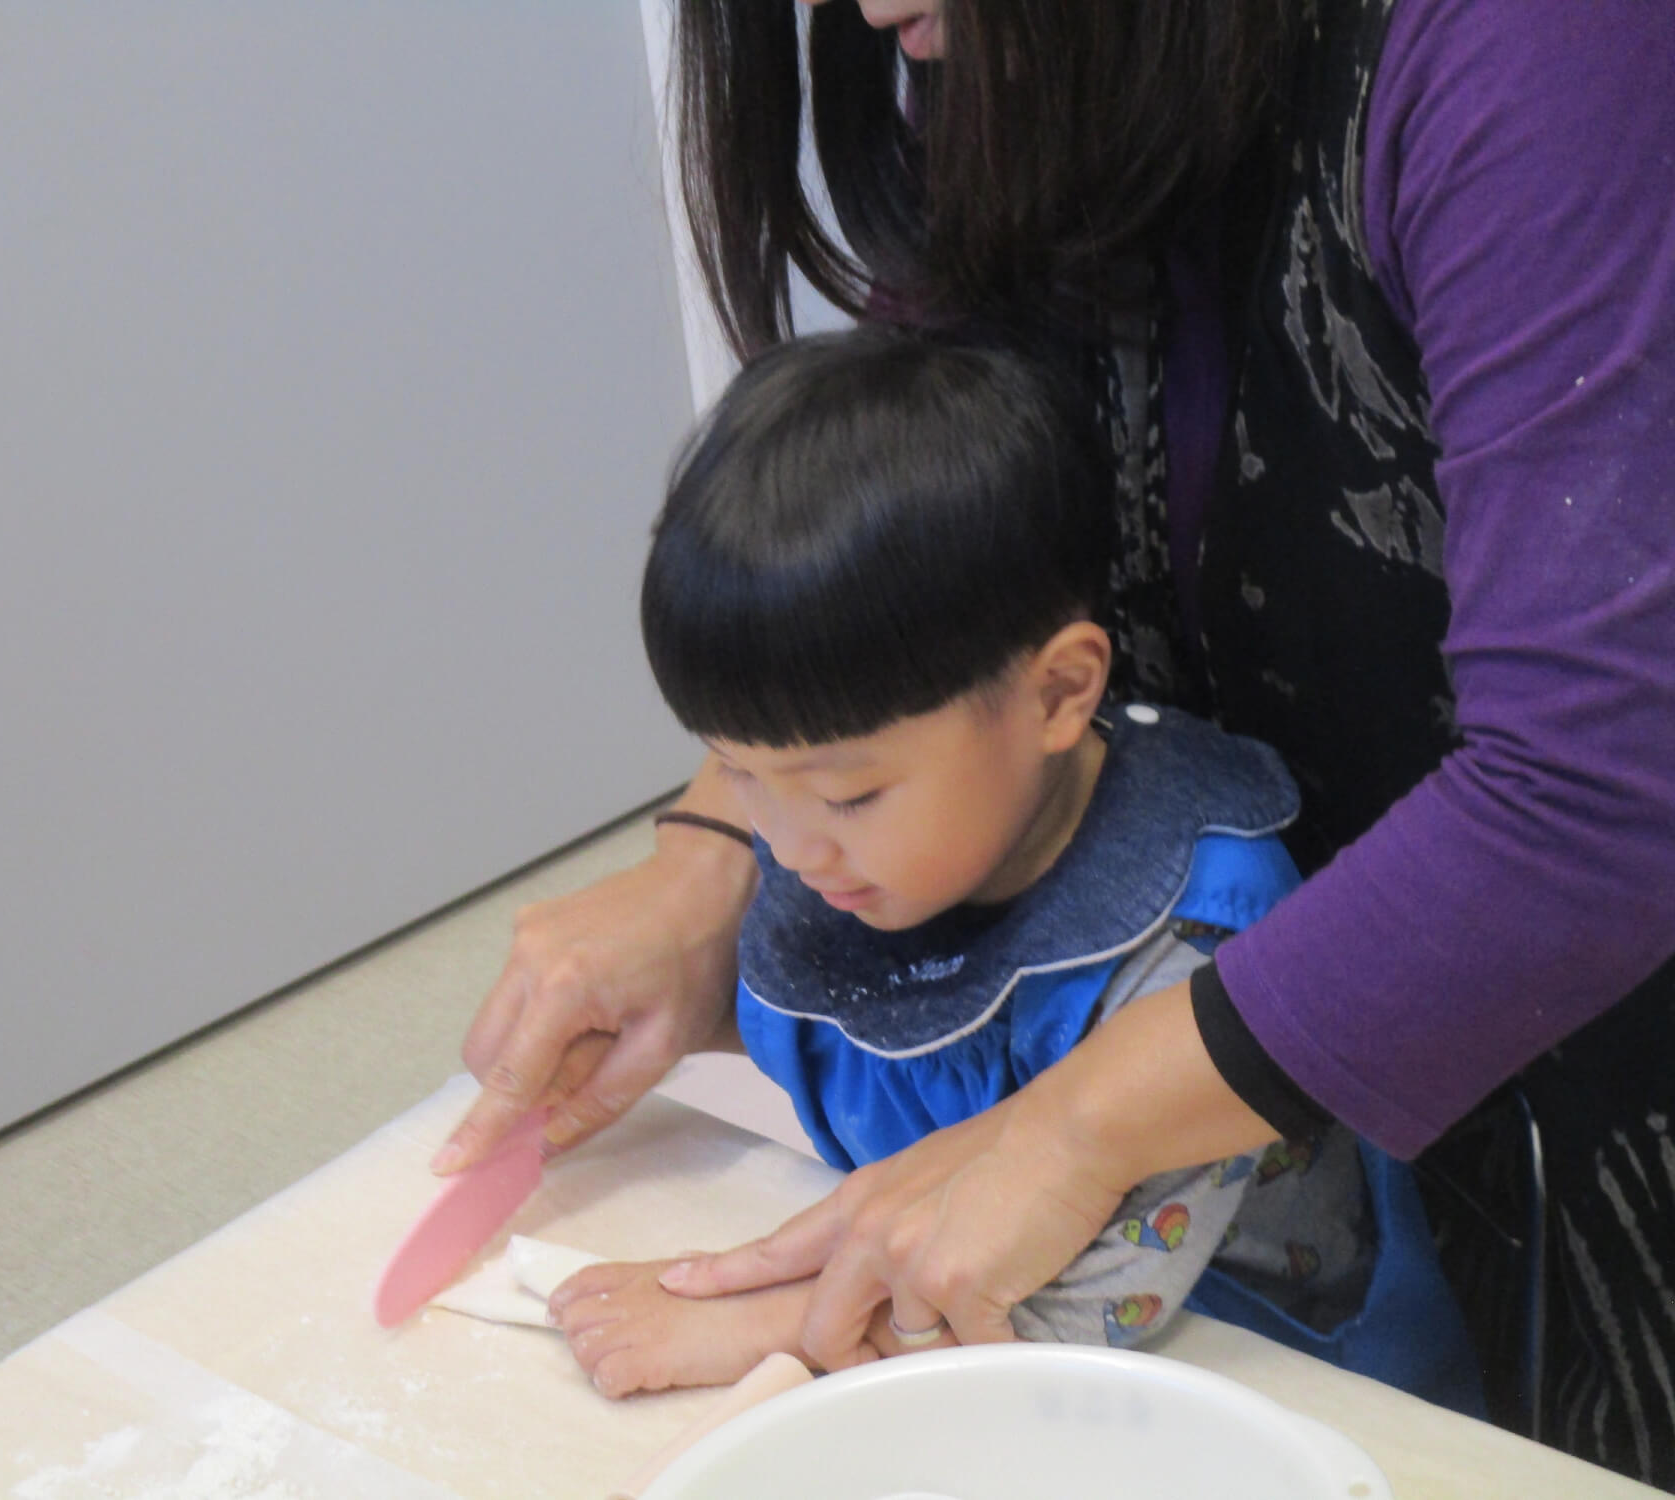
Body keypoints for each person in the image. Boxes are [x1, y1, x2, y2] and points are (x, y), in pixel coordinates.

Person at [439, 0, 1675, 1478]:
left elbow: (1600, 799)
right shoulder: (1013, 39)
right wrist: (720, 857)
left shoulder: (1540, 48)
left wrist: (1067, 1134)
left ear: (1069, 688)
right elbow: (918, 569)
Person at [544, 327, 1482, 1413]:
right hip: (971, 1370)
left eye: (848, 794)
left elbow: (1095, 1301)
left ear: (1054, 695)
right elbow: (877, 1039)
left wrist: (773, 1327)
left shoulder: (1194, 935)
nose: (794, 848)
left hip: (1263, 1395)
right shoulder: (874, 842)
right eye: (741, 773)